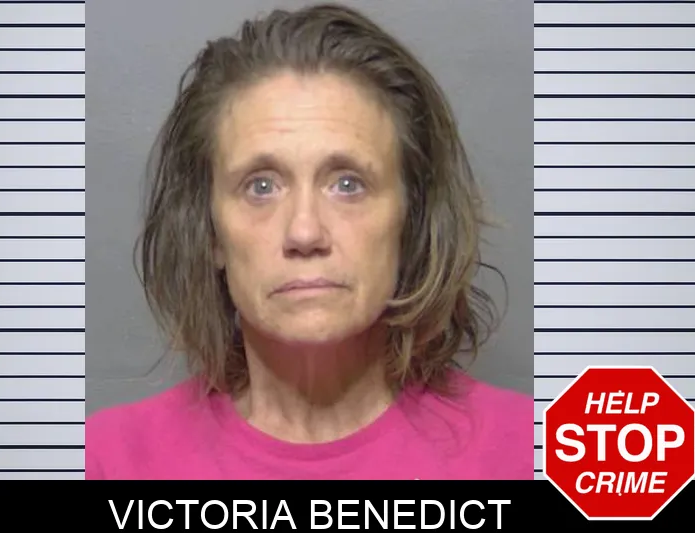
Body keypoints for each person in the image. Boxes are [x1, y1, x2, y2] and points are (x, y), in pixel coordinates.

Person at [86, 2, 533, 480]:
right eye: (261, 186)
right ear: (210, 231)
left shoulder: (536, 454)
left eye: (348, 184)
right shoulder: (105, 461)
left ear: (411, 219)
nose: (304, 233)